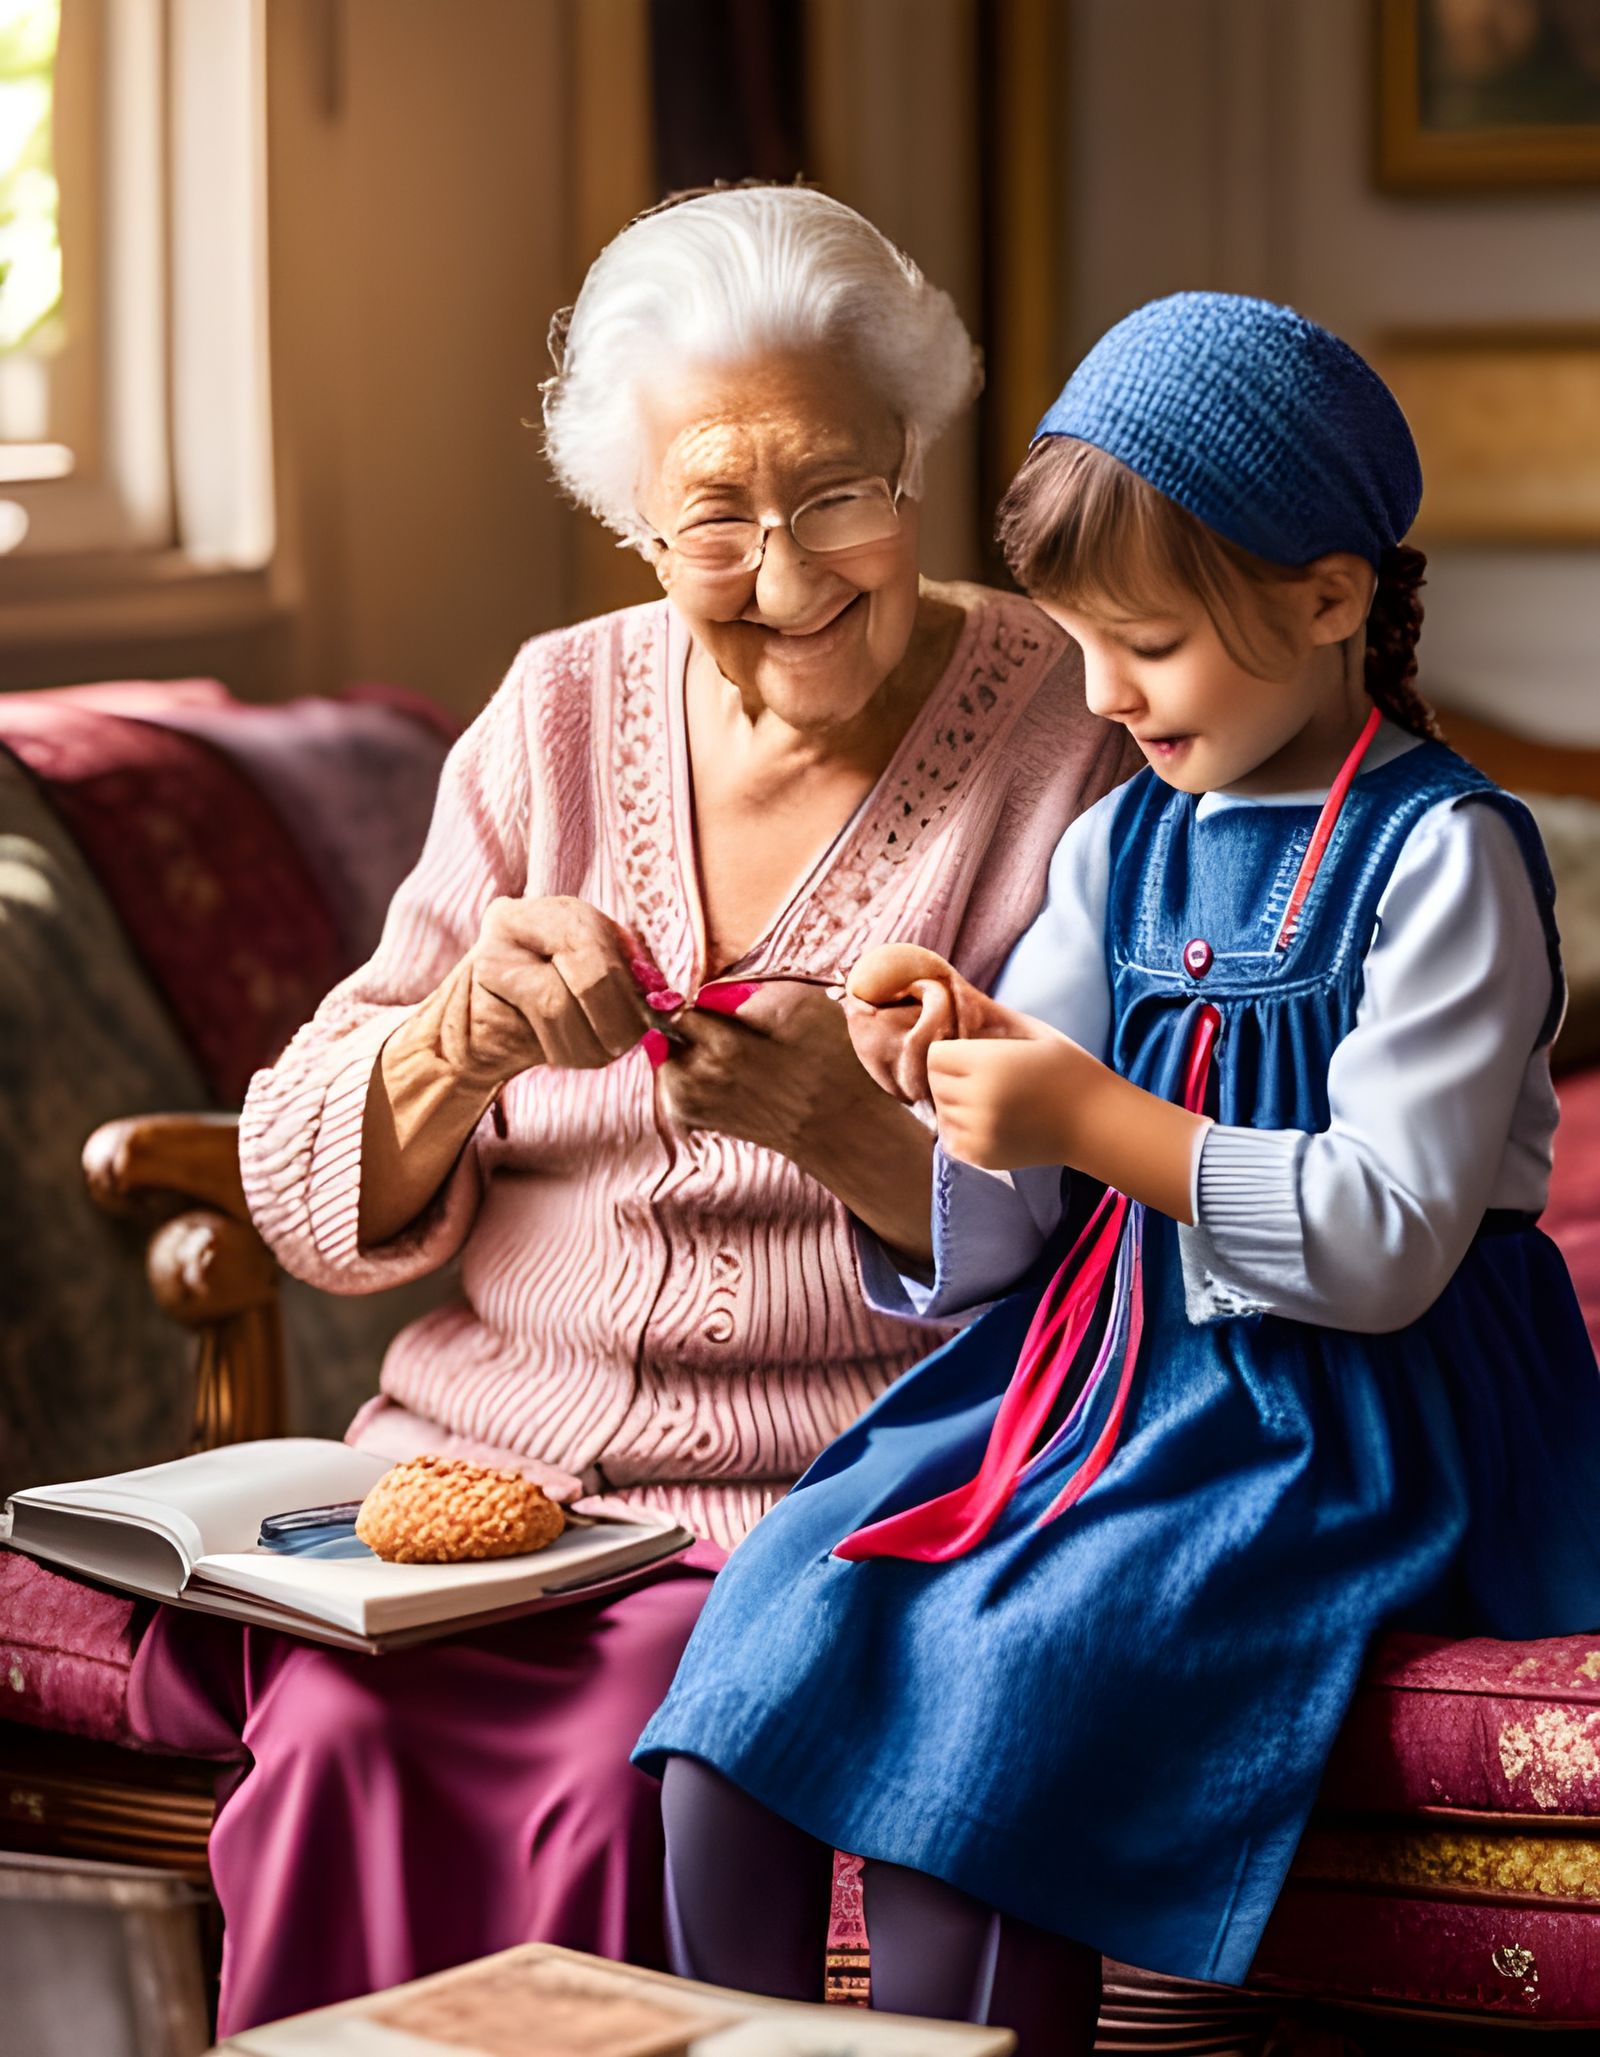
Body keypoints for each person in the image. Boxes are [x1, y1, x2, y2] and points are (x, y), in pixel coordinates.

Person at [126, 184, 1132, 2035]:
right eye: (714, 520)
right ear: (633, 523)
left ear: (913, 456)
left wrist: (857, 1136)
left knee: (615, 1766)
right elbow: (302, 1186)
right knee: (342, 1727)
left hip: (812, 1507)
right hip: (475, 1493)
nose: (790, 568)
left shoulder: (1071, 730)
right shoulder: (552, 714)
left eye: (837, 491)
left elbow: (1123, 1232)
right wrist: (456, 1044)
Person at [634, 293, 1600, 2054]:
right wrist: (952, 1069)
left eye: (1144, 641)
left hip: (1345, 1418)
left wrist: (1085, 1115)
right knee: (752, 1666)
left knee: (989, 1744)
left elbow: (1385, 1244)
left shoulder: (1448, 858)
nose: (1099, 692)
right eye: (1080, 641)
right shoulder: (1122, 837)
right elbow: (1020, 1217)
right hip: (1097, 1382)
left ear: (1330, 600)